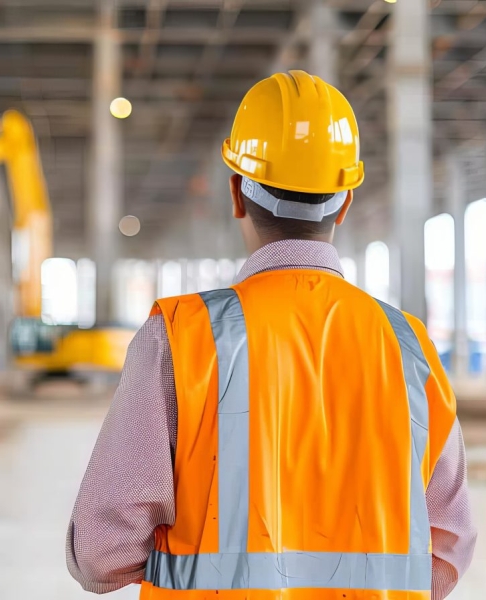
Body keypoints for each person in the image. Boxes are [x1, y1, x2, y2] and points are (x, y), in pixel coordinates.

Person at [66, 71, 477, 599]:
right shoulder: (408, 347)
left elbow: (101, 554)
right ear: (345, 202)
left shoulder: (180, 339)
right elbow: (449, 542)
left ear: (237, 191)